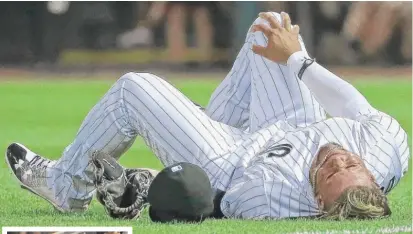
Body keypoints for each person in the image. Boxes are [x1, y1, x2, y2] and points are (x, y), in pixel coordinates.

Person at [6, 12, 409, 220]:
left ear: (318, 199)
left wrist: (152, 186)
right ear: (373, 174)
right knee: (269, 29)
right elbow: (353, 105)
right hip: (294, 122)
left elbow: (214, 200)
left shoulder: (271, 196)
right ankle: (197, 120)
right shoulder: (387, 149)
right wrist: (297, 61)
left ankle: (64, 186)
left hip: (236, 162)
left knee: (133, 89)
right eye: (351, 164)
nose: (338, 157)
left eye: (333, 172)